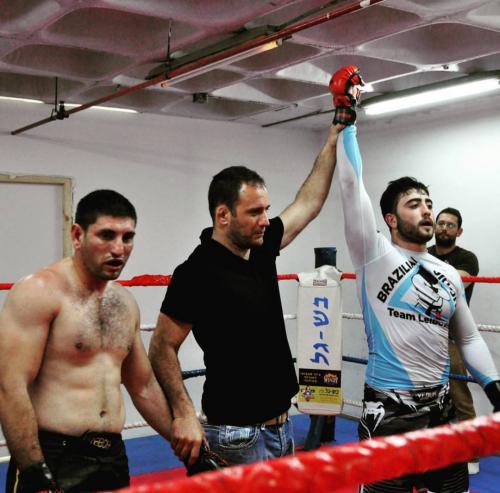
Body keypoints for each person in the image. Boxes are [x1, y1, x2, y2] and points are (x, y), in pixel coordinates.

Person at [149, 126, 342, 468]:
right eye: (255, 212)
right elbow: (162, 346)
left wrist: (333, 138)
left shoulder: (262, 247)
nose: (265, 220)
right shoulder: (197, 271)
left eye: (267, 210)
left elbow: (309, 203)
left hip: (282, 428)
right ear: (223, 215)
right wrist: (183, 412)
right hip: (235, 436)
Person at [336, 123, 500, 492]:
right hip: (389, 413)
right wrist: (347, 121)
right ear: (390, 219)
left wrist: (494, 388)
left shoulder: (448, 273)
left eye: (428, 203)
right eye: (414, 204)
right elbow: (349, 186)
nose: (426, 210)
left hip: (440, 411)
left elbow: (468, 337)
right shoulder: (374, 255)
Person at [0, 190, 173, 493]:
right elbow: (10, 386)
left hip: (112, 456)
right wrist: (34, 469)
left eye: (127, 237)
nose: (118, 249)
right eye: (106, 235)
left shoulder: (124, 303)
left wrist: (187, 444)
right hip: (53, 454)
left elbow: (142, 386)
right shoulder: (39, 292)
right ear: (77, 235)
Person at [428, 207, 480, 474]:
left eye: (450, 225)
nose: (444, 228)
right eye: (441, 223)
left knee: (460, 395)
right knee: (422, 393)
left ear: (459, 231)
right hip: (422, 336)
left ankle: (471, 455)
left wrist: (422, 275)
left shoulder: (467, 258)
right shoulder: (423, 253)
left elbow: (457, 284)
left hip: (452, 336)